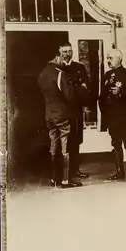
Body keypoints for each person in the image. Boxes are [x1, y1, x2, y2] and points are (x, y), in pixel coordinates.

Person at [37, 53, 79, 188]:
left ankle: (54, 179)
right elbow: (69, 95)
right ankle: (66, 180)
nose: (64, 60)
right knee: (65, 147)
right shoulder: (61, 74)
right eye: (61, 58)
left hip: (49, 115)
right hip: (61, 115)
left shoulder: (42, 74)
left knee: (53, 146)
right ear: (55, 58)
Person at [99, 48, 126, 183]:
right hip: (111, 117)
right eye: (107, 58)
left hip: (125, 117)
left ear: (119, 59)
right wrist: (103, 113)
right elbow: (102, 96)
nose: (108, 61)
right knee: (115, 144)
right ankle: (119, 171)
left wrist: (121, 91)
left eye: (111, 58)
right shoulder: (106, 75)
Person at [59, 42, 90, 184]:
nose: (67, 54)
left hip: (76, 110)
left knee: (76, 140)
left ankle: (75, 170)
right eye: (64, 51)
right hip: (62, 111)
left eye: (70, 51)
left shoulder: (79, 67)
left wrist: (78, 90)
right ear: (60, 53)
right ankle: (64, 172)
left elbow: (85, 87)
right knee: (64, 141)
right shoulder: (57, 69)